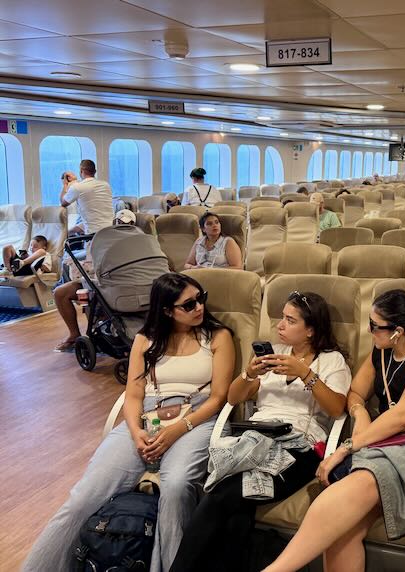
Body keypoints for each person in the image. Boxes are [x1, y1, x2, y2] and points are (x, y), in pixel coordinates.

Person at [23, 273, 235, 572]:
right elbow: (133, 395)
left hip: (198, 419)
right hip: (147, 418)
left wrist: (177, 430)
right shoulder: (145, 340)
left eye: (201, 298)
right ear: (166, 310)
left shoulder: (217, 336)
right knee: (84, 495)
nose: (199, 307)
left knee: (175, 488)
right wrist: (136, 433)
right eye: (188, 304)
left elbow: (218, 397)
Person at [262, 289, 405, 572]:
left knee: (354, 488)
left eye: (374, 326)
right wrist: (360, 411)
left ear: (397, 331)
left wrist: (347, 446)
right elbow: (355, 392)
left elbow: (403, 416)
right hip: (386, 444)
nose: (369, 331)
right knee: (343, 529)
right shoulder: (381, 351)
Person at [170, 291, 352, 572]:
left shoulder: (331, 361)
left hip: (299, 446)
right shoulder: (273, 356)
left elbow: (337, 408)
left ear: (311, 330)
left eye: (290, 321)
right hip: (255, 437)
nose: (280, 325)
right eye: (282, 318)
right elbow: (233, 398)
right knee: (236, 511)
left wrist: (305, 373)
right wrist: (249, 374)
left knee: (224, 495)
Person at [53, 208, 134, 351]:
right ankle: (74, 335)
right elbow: (91, 265)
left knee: (94, 294)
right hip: (96, 280)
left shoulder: (139, 242)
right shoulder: (99, 239)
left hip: (118, 284)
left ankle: (106, 332)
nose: (122, 226)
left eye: (126, 224)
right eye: (119, 222)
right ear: (114, 222)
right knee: (60, 293)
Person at [60, 160, 114, 235]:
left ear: (81, 171)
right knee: (72, 231)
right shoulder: (106, 185)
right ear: (95, 171)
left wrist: (65, 184)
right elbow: (87, 186)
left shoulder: (77, 187)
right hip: (109, 229)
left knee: (66, 235)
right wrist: (75, 181)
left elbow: (63, 202)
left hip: (93, 234)